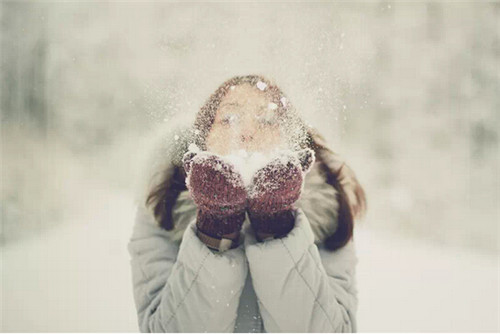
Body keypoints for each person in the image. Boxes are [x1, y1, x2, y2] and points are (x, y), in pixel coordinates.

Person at [127, 75, 367, 332]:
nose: (247, 133)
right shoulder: (163, 210)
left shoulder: (329, 214)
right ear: (202, 142)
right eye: (229, 119)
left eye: (267, 120)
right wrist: (214, 227)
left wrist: (276, 225)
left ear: (291, 142)